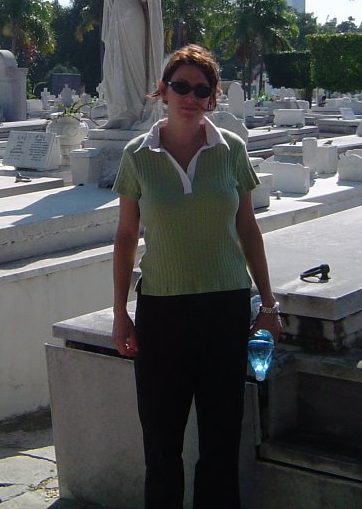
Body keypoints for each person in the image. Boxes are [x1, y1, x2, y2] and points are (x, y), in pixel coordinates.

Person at [111, 44, 283, 509]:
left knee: (221, 445)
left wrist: (268, 306)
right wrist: (120, 313)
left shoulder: (231, 150)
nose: (190, 96)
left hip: (225, 307)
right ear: (163, 90)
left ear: (213, 96)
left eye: (201, 89)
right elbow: (126, 237)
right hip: (162, 310)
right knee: (162, 447)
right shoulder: (137, 155)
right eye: (181, 86)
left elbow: (248, 228)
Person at [78, 0, 164, 129]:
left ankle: (134, 113)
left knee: (133, 65)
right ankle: (118, 114)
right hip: (115, 18)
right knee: (114, 65)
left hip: (133, 18)